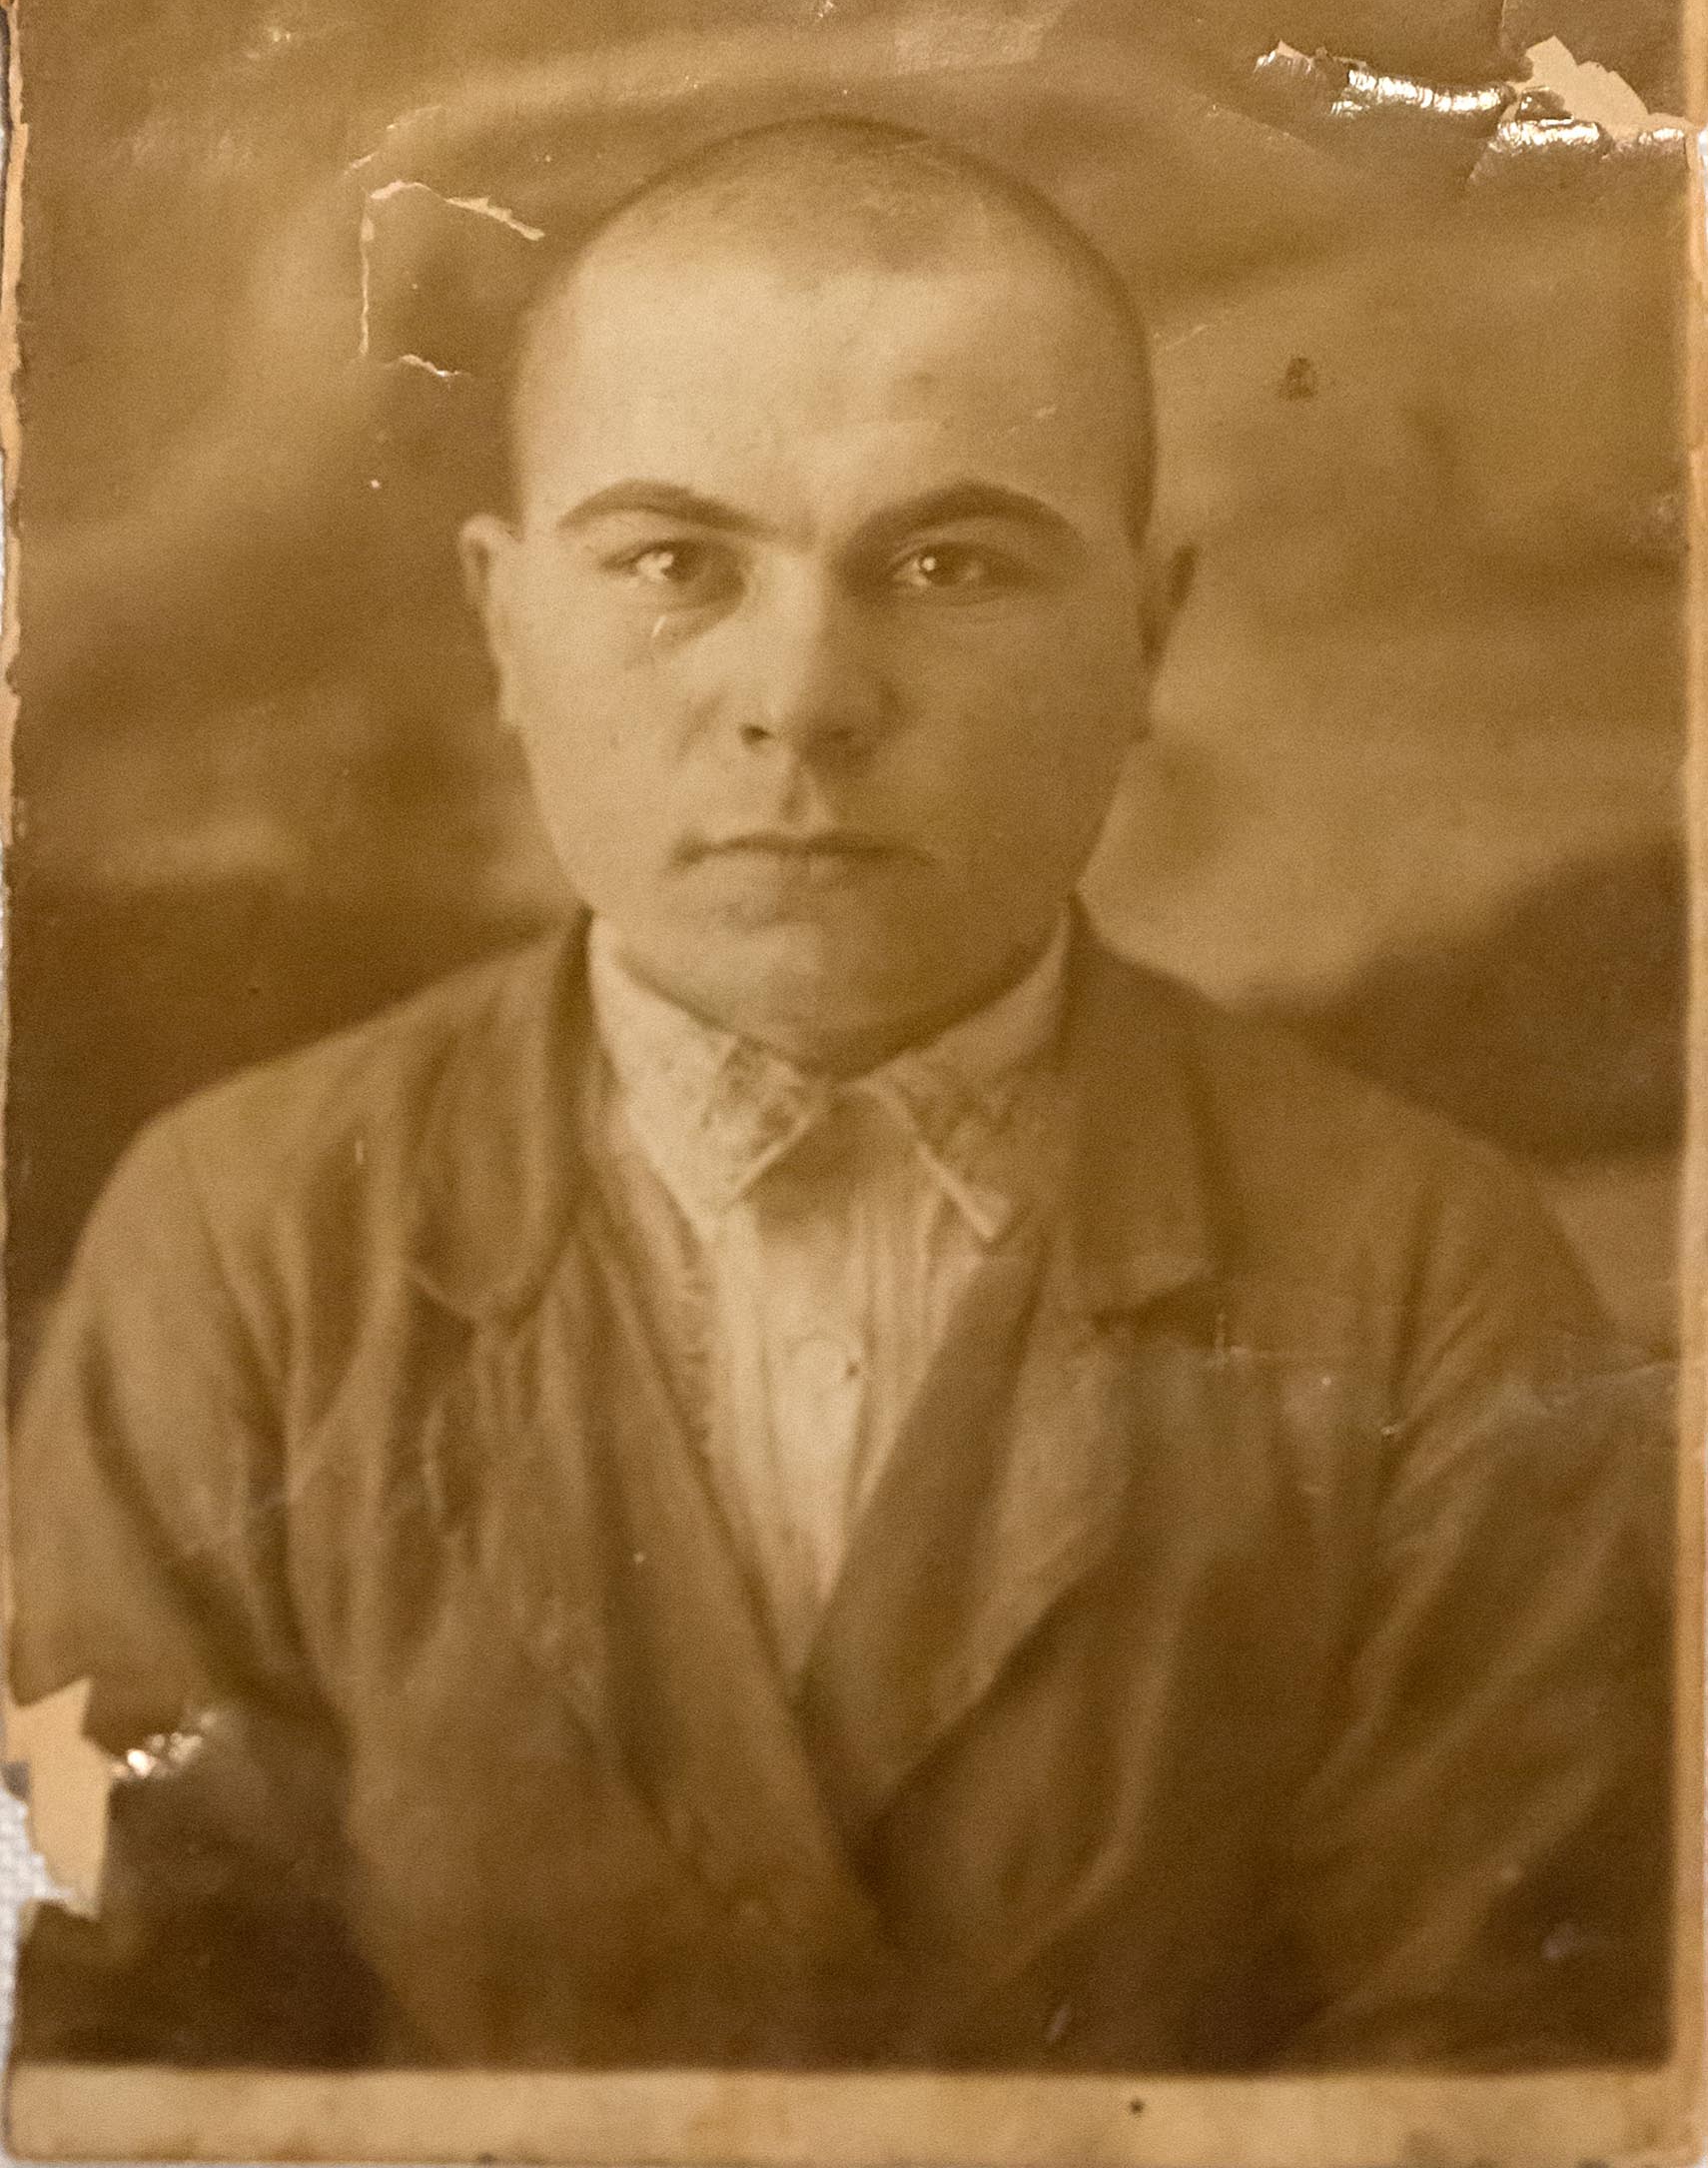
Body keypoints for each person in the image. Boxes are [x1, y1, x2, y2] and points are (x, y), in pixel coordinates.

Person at [10, 117, 1672, 2074]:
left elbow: (1500, 2086)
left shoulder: (1425, 1276)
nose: (802, 697)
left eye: (951, 564)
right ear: (504, 624)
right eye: (673, 562)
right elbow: (114, 2063)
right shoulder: (241, 1246)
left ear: (1145, 634)